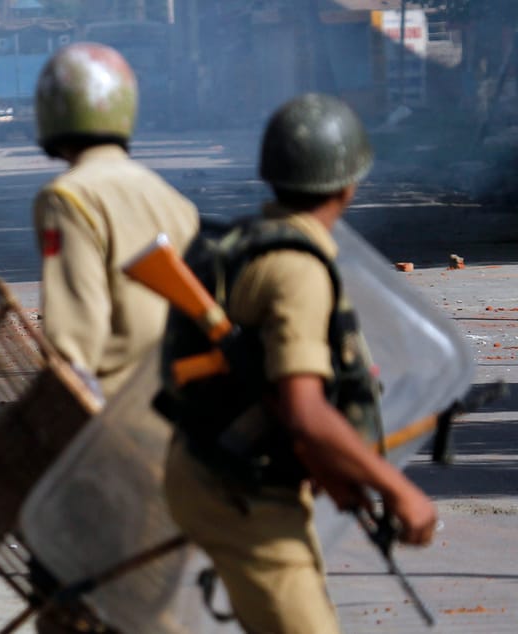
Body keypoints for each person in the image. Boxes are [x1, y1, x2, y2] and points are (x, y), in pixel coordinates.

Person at [160, 93, 438, 634]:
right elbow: (304, 411)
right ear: (349, 183)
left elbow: (263, 390)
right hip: (240, 495)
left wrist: (337, 473)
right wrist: (399, 490)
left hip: (209, 472)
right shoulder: (298, 270)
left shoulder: (249, 241)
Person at [31, 42, 200, 633]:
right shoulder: (173, 201)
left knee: (84, 613)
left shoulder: (69, 197)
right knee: (152, 609)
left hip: (109, 447)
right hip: (179, 438)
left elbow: (75, 345)